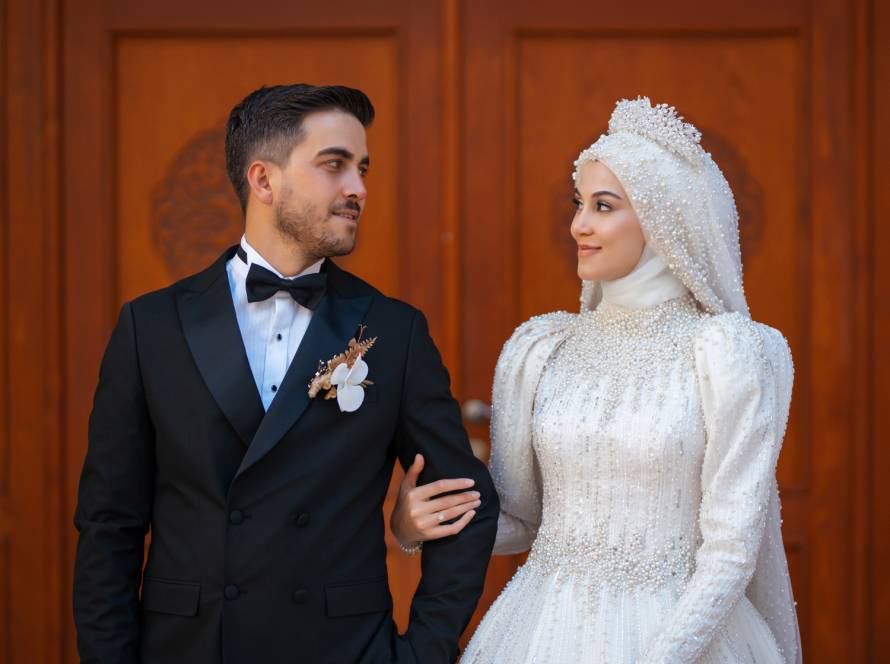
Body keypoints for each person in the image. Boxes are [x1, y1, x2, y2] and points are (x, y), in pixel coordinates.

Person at [72, 83, 498, 664]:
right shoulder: (151, 328)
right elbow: (109, 525)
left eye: (362, 169)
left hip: (344, 651)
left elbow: (470, 503)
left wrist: (422, 652)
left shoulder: (393, 332)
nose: (359, 189)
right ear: (264, 180)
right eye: (334, 165)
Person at [391, 97, 802, 663]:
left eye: (603, 206)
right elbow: (521, 520)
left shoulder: (727, 353)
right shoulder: (541, 349)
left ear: (665, 219)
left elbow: (731, 550)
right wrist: (414, 527)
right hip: (542, 630)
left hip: (686, 636)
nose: (578, 225)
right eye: (579, 203)